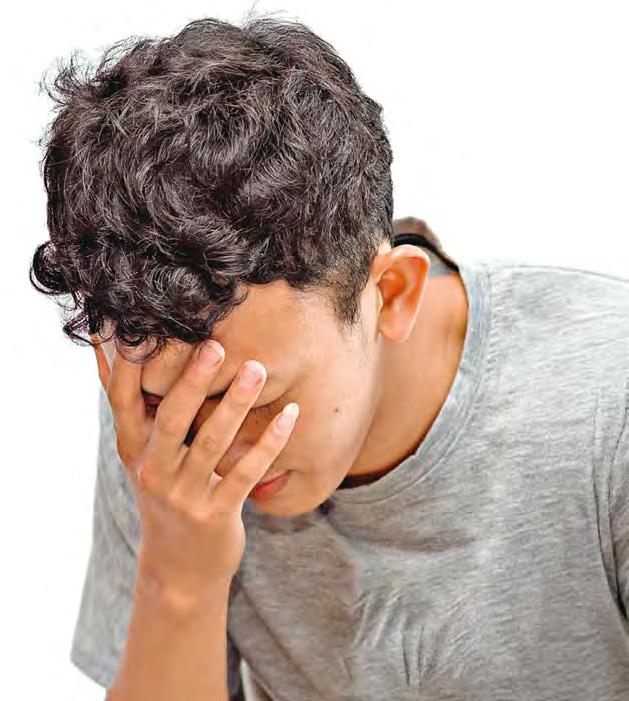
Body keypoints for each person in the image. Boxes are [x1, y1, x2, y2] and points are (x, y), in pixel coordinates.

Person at [30, 14, 629, 701]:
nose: (219, 451)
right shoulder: (164, 430)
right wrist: (179, 571)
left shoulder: (605, 401)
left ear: (390, 294)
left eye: (255, 399)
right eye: (171, 404)